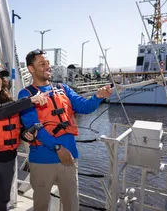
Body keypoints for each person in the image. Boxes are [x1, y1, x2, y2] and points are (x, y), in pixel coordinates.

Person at [18, 50, 112, 211]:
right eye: (42, 64)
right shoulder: (26, 94)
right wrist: (57, 148)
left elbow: (84, 106)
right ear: (31, 69)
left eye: (48, 63)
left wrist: (98, 96)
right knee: (40, 205)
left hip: (69, 158)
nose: (47, 66)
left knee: (71, 204)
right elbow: (33, 125)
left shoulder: (63, 89)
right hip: (42, 160)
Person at [0, 64, 49, 211]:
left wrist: (25, 135)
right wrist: (30, 100)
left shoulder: (9, 103)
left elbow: (16, 128)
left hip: (8, 161)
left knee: (4, 201)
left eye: (0, 77)